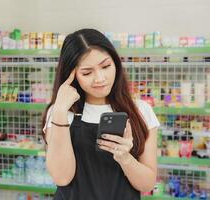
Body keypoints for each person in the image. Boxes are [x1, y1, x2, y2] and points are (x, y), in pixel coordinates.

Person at [42, 28, 160, 200]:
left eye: (105, 66)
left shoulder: (141, 111)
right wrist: (59, 111)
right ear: (71, 75)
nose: (100, 78)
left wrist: (125, 158)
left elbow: (147, 184)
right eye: (87, 72)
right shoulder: (60, 112)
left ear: (116, 63)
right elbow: (62, 177)